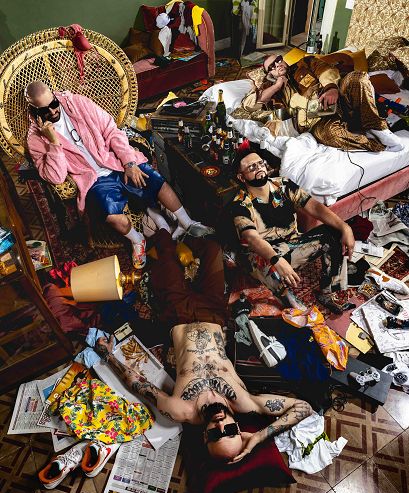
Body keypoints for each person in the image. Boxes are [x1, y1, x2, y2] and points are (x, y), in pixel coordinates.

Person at [94, 229, 313, 463]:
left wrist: (108, 356)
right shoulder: (245, 402)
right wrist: (258, 437)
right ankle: (186, 235)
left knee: (162, 244)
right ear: (239, 428)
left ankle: (167, 236)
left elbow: (139, 385)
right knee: (212, 249)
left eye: (216, 435)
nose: (220, 425)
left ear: (205, 437)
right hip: (213, 312)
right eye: (229, 431)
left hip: (177, 314)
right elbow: (303, 407)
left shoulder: (181, 409)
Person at [25, 81, 212, 269]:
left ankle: (186, 223)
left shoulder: (76, 103)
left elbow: (111, 130)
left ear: (55, 96)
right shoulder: (35, 139)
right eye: (45, 110)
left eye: (54, 103)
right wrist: (53, 143)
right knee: (111, 215)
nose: (53, 111)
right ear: (34, 111)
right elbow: (55, 177)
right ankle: (137, 240)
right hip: (93, 180)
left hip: (115, 161)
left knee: (156, 181)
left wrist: (129, 162)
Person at [231, 148, 356, 314]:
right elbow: (251, 238)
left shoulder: (283, 185)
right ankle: (287, 298)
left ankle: (328, 292)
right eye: (252, 167)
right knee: (275, 275)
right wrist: (276, 260)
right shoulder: (240, 204)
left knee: (334, 233)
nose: (259, 168)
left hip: (292, 245)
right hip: (264, 257)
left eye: (260, 163)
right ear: (241, 177)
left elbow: (314, 206)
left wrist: (345, 227)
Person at [232, 53, 404, 152]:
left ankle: (378, 128)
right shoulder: (272, 90)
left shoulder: (304, 63)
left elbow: (325, 70)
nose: (277, 64)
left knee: (357, 78)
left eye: (278, 59)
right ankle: (376, 145)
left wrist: (331, 88)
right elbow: (248, 106)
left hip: (339, 100)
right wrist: (276, 85)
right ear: (269, 73)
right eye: (272, 67)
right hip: (318, 119)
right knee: (329, 136)